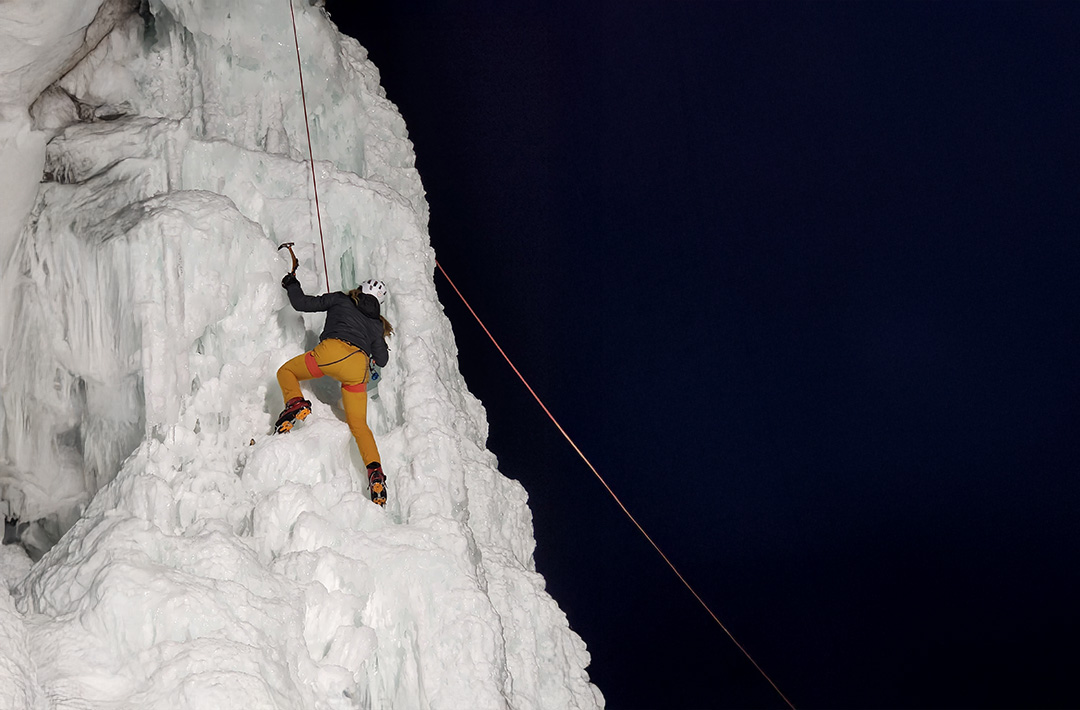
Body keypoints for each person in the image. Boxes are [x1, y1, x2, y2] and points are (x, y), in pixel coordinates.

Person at [275, 274, 393, 506]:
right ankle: (375, 472)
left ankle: (296, 402)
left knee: (286, 372)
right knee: (359, 425)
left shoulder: (342, 299)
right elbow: (382, 359)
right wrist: (374, 336)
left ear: (360, 289)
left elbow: (302, 304)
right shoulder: (377, 323)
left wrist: (291, 283)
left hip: (330, 354)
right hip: (357, 369)